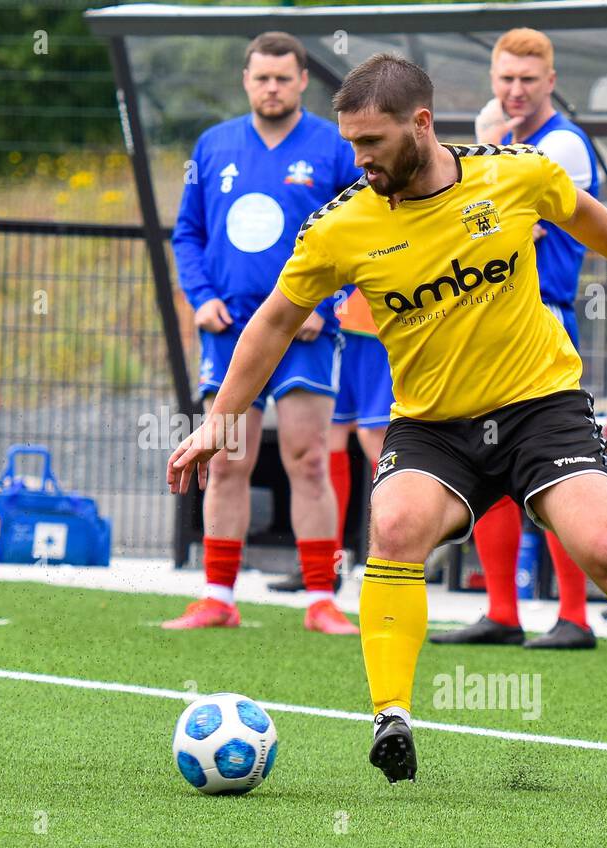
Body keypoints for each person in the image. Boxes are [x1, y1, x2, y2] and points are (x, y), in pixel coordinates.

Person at [168, 53, 607, 787]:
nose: (358, 160)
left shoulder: (514, 174)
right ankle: (390, 716)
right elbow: (271, 322)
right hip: (433, 427)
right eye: (351, 144)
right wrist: (219, 423)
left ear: (421, 125)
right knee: (392, 527)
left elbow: (580, 211)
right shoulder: (341, 225)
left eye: (371, 143)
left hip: (539, 410)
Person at [164, 31, 362, 635]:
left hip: (305, 334)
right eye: (261, 77)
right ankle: (218, 595)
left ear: (304, 81)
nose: (271, 87)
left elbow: (364, 238)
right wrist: (201, 299)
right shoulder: (214, 144)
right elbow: (188, 234)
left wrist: (326, 307)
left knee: (308, 458)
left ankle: (320, 598)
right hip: (229, 332)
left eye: (283, 77)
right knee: (225, 460)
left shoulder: (334, 147)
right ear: (246, 81)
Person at [432, 28, 598, 650]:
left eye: (528, 79)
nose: (515, 90)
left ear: (551, 82)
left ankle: (575, 617)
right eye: (505, 78)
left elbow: (507, 233)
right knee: (485, 460)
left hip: (544, 322)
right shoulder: (501, 141)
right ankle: (502, 611)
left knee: (557, 470)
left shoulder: (563, 147)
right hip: (485, 326)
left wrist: (484, 151)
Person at [269, 288, 390, 594]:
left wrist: (321, 307)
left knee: (375, 435)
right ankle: (324, 563)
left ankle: (392, 562)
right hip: (333, 326)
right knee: (326, 439)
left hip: (376, 319)